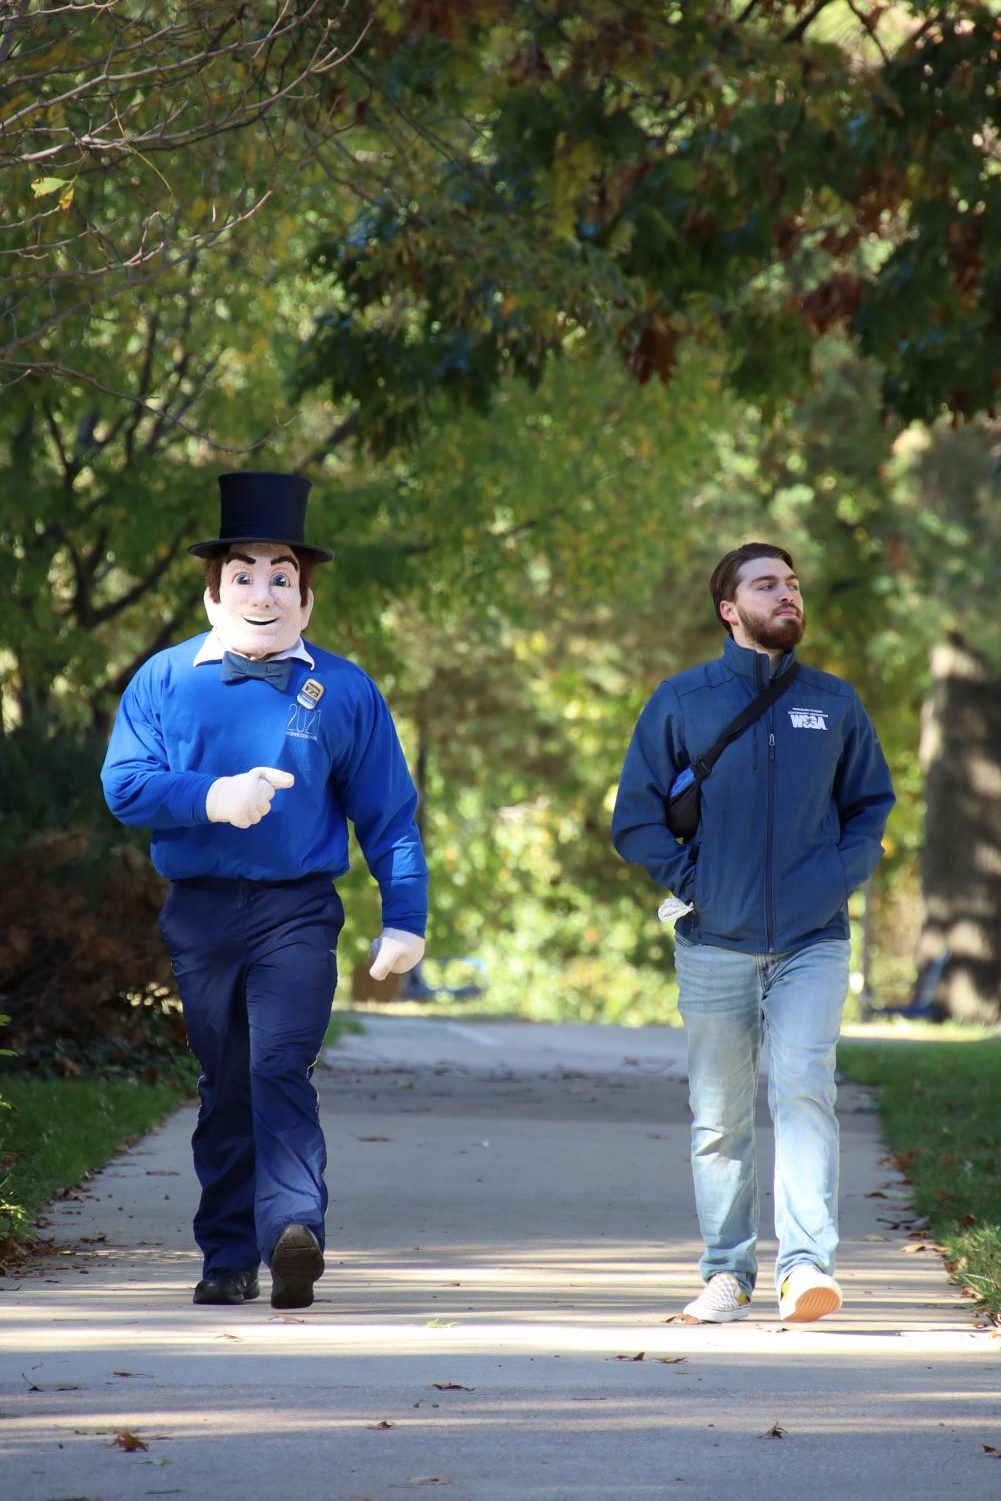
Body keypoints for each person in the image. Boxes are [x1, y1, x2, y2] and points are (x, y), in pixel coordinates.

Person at [101, 471, 428, 1310]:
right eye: (243, 574)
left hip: (297, 910)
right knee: (225, 1083)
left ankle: (294, 1230)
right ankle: (225, 1253)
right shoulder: (165, 681)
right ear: (213, 594)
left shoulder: (344, 689)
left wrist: (405, 916)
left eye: (281, 575)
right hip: (200, 911)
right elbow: (125, 784)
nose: (263, 590)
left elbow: (388, 813)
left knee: (281, 1063)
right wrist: (210, 796)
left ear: (305, 599)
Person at [611, 542, 894, 1324]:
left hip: (813, 937)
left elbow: (870, 805)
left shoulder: (834, 704)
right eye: (767, 584)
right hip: (712, 941)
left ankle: (805, 1268)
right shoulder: (680, 700)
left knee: (803, 1090)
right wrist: (694, 883)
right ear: (729, 609)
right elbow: (633, 820)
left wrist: (835, 875)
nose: (787, 594)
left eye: (793, 583)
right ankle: (727, 1274)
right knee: (718, 1117)